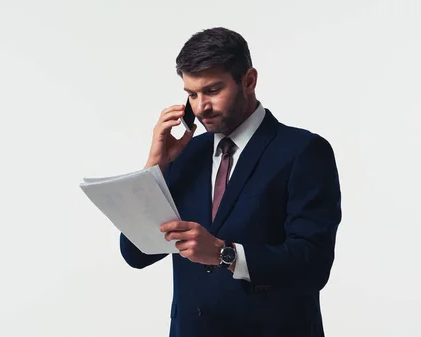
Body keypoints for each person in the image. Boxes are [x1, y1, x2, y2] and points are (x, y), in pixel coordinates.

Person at [119, 27, 342, 337]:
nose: (200, 107)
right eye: (191, 94)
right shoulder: (186, 153)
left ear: (248, 80)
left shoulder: (303, 151)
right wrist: (156, 165)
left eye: (212, 90)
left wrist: (225, 253)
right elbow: (137, 253)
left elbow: (313, 264)